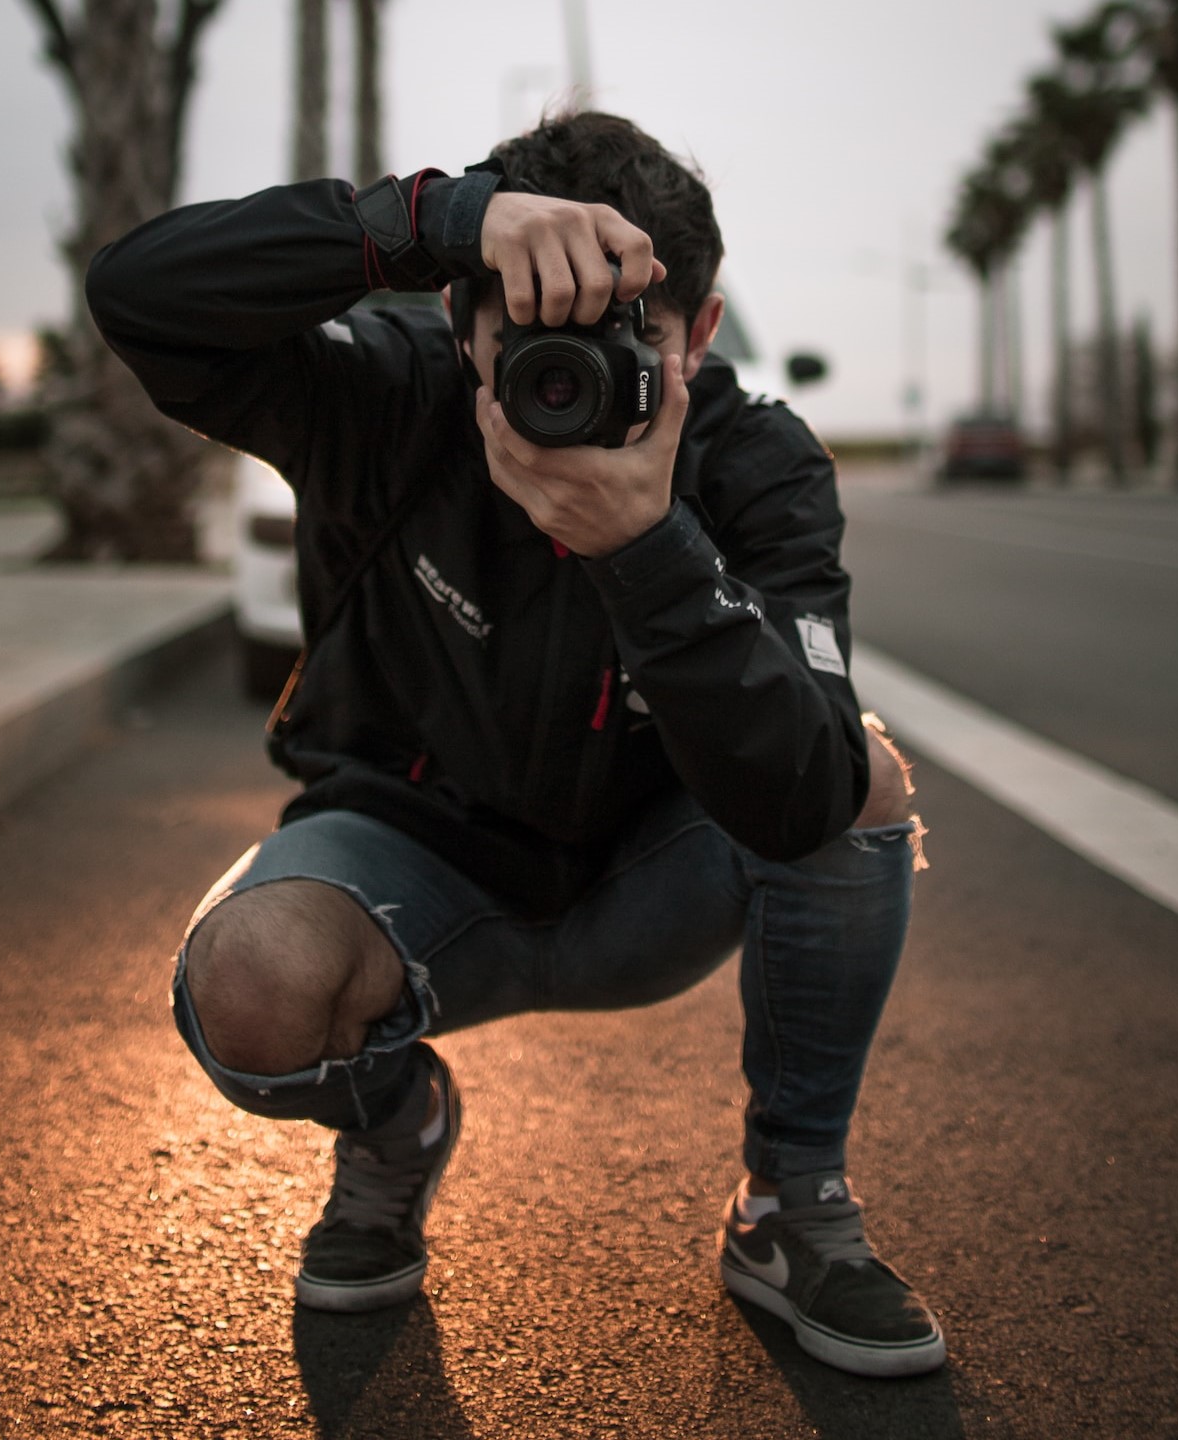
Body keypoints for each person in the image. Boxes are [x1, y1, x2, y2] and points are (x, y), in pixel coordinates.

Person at [85, 110, 944, 1379]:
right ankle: (393, 1126)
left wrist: (645, 552)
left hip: (654, 876)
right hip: (409, 858)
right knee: (249, 984)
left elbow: (807, 795)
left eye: (628, 339)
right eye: (532, 336)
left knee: (864, 772)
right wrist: (435, 218)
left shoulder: (758, 466)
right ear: (462, 321)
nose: (570, 383)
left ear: (700, 336)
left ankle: (791, 1206)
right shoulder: (385, 397)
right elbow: (138, 294)